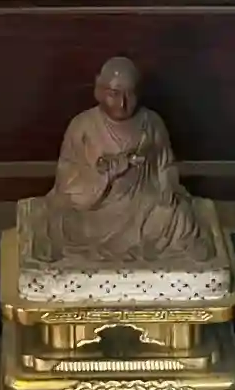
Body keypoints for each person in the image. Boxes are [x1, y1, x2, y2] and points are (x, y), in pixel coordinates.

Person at [27, 57, 209, 264]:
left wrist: (166, 185)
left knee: (178, 215)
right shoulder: (82, 125)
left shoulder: (151, 123)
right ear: (99, 90)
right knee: (61, 217)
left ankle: (184, 242)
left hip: (141, 204)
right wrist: (103, 174)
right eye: (114, 94)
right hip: (95, 208)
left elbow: (165, 165)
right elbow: (65, 176)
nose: (122, 103)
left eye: (129, 94)